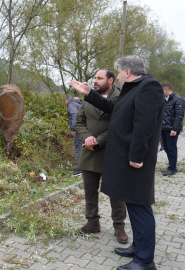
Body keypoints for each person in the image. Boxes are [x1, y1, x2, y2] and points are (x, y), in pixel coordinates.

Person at [70, 56, 164, 270]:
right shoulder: (134, 89)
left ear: (128, 72)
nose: (119, 77)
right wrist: (89, 94)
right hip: (127, 160)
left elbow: (144, 125)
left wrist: (136, 157)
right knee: (134, 205)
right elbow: (114, 108)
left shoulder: (149, 88)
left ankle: (144, 261)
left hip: (135, 162)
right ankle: (138, 248)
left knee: (141, 208)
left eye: (120, 73)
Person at [75, 68, 127, 244]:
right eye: (94, 78)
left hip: (112, 153)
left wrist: (98, 140)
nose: (95, 81)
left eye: (99, 78)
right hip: (88, 152)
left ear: (111, 80)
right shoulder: (88, 97)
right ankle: (92, 223)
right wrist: (87, 137)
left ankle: (119, 227)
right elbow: (79, 121)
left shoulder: (121, 98)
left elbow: (120, 125)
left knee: (117, 193)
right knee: (90, 192)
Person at [160, 82, 185, 176]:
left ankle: (172, 168)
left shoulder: (178, 99)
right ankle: (171, 165)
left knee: (171, 148)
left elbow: (179, 116)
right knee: (166, 147)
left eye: (161, 91)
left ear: (166, 90)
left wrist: (174, 129)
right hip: (164, 128)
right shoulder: (164, 100)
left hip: (172, 129)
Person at [65, 95, 83, 176]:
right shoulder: (79, 103)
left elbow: (74, 114)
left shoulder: (71, 104)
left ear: (67, 100)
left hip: (79, 129)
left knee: (79, 148)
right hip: (85, 128)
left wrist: (73, 128)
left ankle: (79, 169)